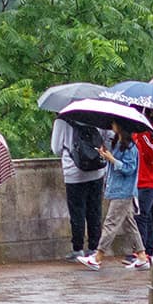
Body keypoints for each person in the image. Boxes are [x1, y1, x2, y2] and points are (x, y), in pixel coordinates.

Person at [52, 110, 108, 269]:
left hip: (74, 172)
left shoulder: (62, 121)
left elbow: (56, 148)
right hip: (97, 170)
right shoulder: (95, 116)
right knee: (95, 210)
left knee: (77, 212)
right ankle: (94, 247)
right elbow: (106, 139)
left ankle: (77, 249)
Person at [95, 125, 145, 267]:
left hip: (123, 191)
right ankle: (141, 255)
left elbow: (129, 169)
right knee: (129, 224)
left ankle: (98, 256)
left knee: (110, 223)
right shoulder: (117, 144)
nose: (112, 126)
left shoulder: (130, 148)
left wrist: (112, 159)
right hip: (118, 189)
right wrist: (106, 156)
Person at [132, 109, 153, 260]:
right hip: (140, 179)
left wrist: (142, 135)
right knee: (147, 215)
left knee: (142, 214)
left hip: (152, 180)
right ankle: (149, 249)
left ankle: (142, 250)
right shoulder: (138, 134)